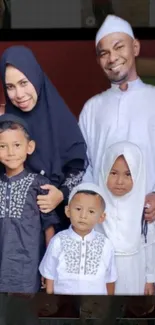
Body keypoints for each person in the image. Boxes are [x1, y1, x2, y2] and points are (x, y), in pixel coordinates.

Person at [0, 45, 87, 231]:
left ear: (36, 77)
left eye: (24, 83)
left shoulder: (59, 117)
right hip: (12, 229)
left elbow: (78, 167)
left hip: (57, 222)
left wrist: (61, 194)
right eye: (10, 87)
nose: (19, 94)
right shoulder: (5, 124)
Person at [79, 14, 155, 223]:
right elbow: (83, 165)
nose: (112, 58)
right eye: (104, 53)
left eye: (119, 47)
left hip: (147, 221)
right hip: (103, 223)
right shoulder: (92, 108)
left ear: (136, 47)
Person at [0, 113, 60, 294]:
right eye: (2, 146)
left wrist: (49, 266)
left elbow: (48, 226)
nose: (11, 152)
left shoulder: (39, 184)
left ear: (30, 147)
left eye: (17, 145)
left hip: (27, 268)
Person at [96, 141, 155, 295]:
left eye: (128, 174)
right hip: (101, 272)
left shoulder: (144, 209)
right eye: (113, 173)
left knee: (130, 312)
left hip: (134, 270)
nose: (120, 181)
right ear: (104, 171)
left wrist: (149, 279)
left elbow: (149, 245)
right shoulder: (95, 206)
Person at [39, 182, 117, 295]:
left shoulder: (105, 244)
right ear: (68, 211)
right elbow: (49, 275)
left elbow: (110, 279)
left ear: (101, 217)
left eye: (91, 211)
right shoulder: (58, 241)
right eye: (78, 209)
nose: (83, 216)